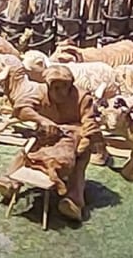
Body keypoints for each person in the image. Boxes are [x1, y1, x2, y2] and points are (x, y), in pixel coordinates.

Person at [6, 62, 100, 222]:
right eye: (56, 88)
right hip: (48, 134)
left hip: (74, 136)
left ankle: (74, 200)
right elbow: (21, 108)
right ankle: (9, 181)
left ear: (71, 85)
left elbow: (90, 123)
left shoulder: (82, 97)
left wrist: (85, 140)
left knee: (79, 159)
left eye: (65, 87)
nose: (61, 92)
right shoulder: (40, 91)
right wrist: (42, 120)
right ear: (48, 86)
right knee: (29, 148)